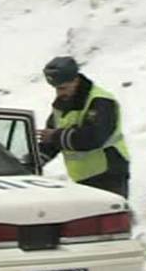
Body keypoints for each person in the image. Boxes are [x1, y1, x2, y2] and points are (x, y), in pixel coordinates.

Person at [37, 56, 130, 198]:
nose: (59, 93)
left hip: (108, 175)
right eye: (56, 89)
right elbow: (51, 141)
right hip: (82, 178)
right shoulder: (61, 105)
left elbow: (94, 137)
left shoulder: (101, 101)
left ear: (76, 80)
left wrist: (56, 136)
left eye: (63, 88)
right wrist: (34, 161)